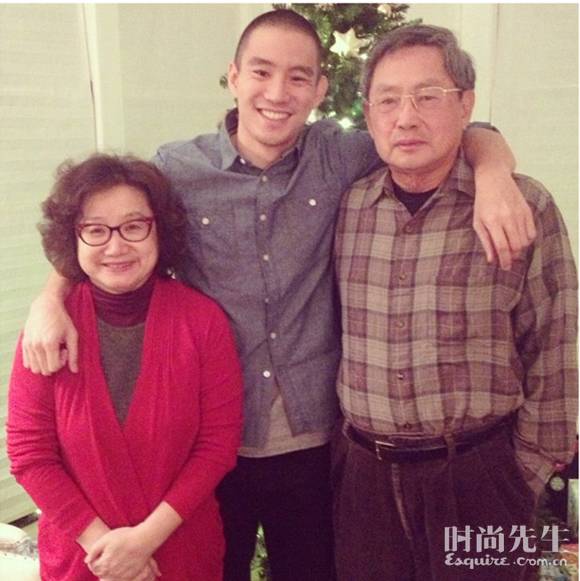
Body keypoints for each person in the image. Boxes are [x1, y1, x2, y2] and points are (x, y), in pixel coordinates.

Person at [21, 10, 537, 581]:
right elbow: (109, 227)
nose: (277, 93)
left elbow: (448, 129)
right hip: (213, 445)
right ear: (234, 76)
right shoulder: (177, 168)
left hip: (317, 439)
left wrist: (493, 171)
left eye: (298, 77)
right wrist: (51, 295)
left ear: (320, 88)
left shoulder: (343, 156)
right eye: (261, 72)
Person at [333, 24, 578, 581]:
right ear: (368, 114)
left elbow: (555, 349)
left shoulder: (523, 206)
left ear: (466, 104)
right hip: (366, 483)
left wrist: (517, 478)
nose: (406, 117)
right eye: (388, 100)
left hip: (479, 477)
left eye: (428, 96)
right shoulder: (350, 209)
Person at [7, 154, 243, 581]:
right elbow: (30, 455)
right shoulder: (47, 328)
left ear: (160, 229)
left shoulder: (202, 321)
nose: (116, 247)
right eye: (96, 230)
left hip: (181, 554)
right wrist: (105, 549)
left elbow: (218, 445)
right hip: (84, 561)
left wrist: (142, 542)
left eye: (134, 226)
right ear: (73, 237)